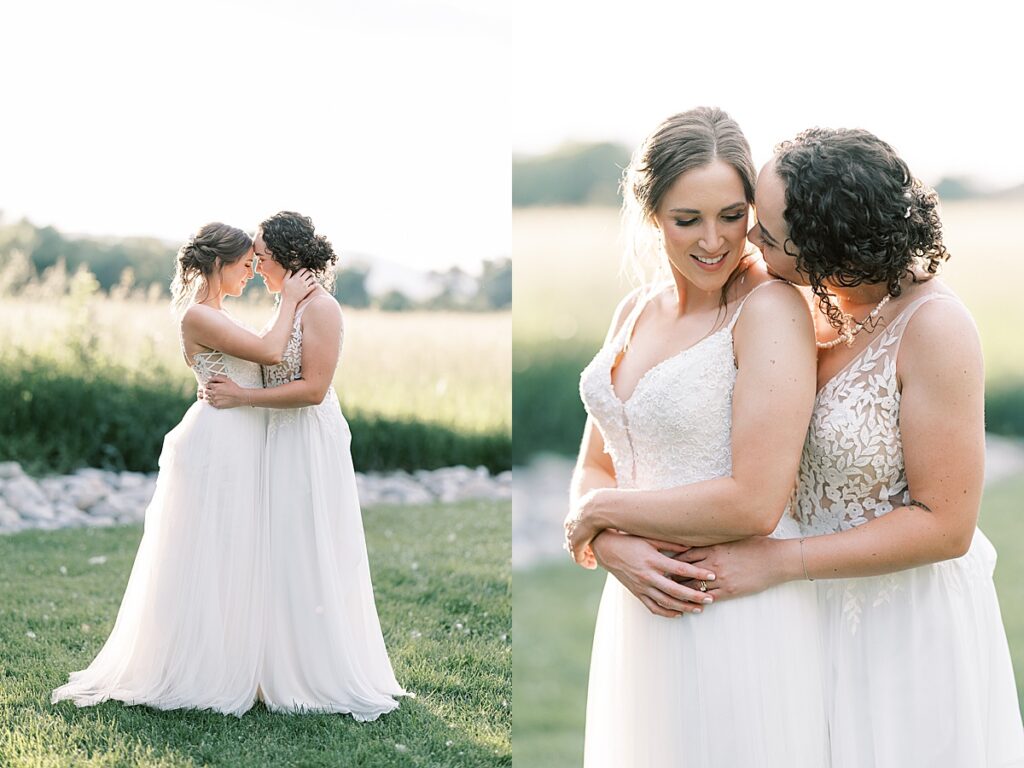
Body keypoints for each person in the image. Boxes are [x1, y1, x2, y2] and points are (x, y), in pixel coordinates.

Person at [668, 129, 1024, 767]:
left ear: (825, 247)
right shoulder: (796, 303)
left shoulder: (935, 329)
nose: (749, 240)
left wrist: (778, 561)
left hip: (904, 625)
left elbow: (946, 525)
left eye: (768, 235)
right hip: (802, 617)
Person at [564, 108, 829, 767]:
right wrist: (614, 544)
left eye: (732, 215)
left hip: (730, 611)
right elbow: (599, 458)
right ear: (653, 215)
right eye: (688, 220)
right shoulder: (635, 311)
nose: (715, 241)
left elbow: (755, 502)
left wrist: (598, 517)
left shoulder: (767, 309)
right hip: (640, 606)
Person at [51, 222, 315, 715]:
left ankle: (238, 662)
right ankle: (199, 669)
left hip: (240, 439)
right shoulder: (199, 316)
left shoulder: (221, 314)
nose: (252, 274)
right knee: (210, 552)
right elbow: (272, 351)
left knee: (235, 552)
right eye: (244, 266)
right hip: (217, 444)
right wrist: (291, 302)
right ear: (218, 265)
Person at [203, 211, 407, 719]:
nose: (257, 266)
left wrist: (244, 398)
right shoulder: (287, 305)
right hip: (276, 434)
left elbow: (314, 390)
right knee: (275, 549)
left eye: (264, 258)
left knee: (305, 545)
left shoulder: (323, 309)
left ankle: (313, 670)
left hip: (307, 438)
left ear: (290, 261)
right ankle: (269, 667)